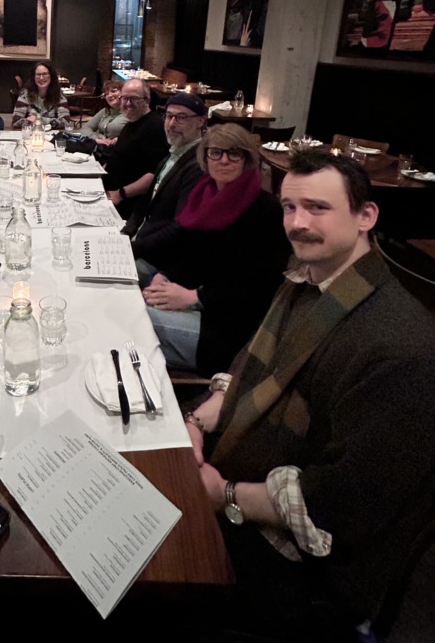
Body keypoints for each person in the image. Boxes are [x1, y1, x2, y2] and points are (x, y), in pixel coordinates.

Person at [184, 151, 435, 638]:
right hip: (236, 477)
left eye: (317, 208)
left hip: (311, 573)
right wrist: (195, 424)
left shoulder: (400, 350)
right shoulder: (306, 281)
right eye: (288, 207)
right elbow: (248, 374)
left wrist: (224, 495)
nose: (297, 223)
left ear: (366, 216)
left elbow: (346, 502)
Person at [143, 123, 290, 374]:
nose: (224, 160)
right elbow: (193, 253)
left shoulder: (266, 210)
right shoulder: (206, 195)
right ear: (205, 157)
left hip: (227, 328)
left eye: (234, 153)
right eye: (216, 152)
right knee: (127, 303)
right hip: (200, 300)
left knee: (132, 320)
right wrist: (166, 275)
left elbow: (260, 286)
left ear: (247, 160)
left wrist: (195, 298)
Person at [123, 91, 207, 279]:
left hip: (158, 260)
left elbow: (180, 227)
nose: (171, 124)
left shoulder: (199, 165)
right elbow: (145, 203)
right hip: (141, 241)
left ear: (201, 121)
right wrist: (126, 232)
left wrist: (132, 248)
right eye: (168, 116)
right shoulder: (173, 154)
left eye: (181, 118)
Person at [103, 79, 169, 218]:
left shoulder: (155, 127)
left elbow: (154, 174)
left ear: (146, 100)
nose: (127, 104)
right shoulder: (131, 123)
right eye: (124, 98)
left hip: (126, 204)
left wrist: (120, 194)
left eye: (133, 99)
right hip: (108, 192)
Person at [11, 61, 69, 130]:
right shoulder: (25, 94)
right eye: (38, 74)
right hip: (32, 134)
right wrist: (51, 121)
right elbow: (15, 121)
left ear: (51, 75)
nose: (41, 78)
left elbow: (66, 122)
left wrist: (39, 119)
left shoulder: (59, 95)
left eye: (44, 74)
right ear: (34, 77)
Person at [78, 79, 128, 145]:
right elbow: (85, 128)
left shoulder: (131, 113)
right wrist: (97, 139)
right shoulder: (105, 110)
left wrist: (120, 139)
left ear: (123, 92)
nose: (109, 95)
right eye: (106, 94)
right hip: (98, 147)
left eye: (113, 91)